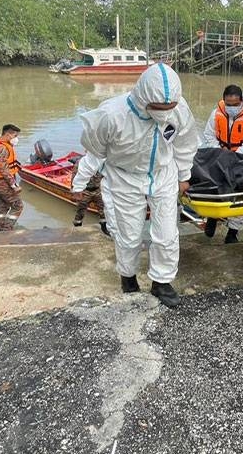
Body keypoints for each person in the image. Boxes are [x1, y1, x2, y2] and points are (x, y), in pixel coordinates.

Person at [77, 64, 198, 308]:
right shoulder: (112, 115)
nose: (165, 114)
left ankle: (161, 281)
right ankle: (128, 277)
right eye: (158, 109)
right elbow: (94, 150)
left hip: (163, 174)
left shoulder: (179, 109)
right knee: (128, 234)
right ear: (144, 99)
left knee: (166, 233)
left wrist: (184, 176)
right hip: (125, 177)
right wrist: (82, 179)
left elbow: (185, 144)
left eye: (169, 108)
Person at [198, 84, 243, 243]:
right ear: (224, 101)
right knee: (213, 188)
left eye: (235, 105)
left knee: (240, 195)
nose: (231, 107)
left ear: (241, 101)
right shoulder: (216, 114)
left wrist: (233, 157)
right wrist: (220, 153)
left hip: (242, 160)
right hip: (219, 157)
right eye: (228, 104)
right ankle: (212, 218)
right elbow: (209, 135)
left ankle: (233, 231)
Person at [0, 124, 23, 231]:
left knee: (3, 206)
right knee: (18, 206)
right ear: (8, 134)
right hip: (2, 182)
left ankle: (1, 228)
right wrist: (14, 185)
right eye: (15, 136)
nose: (16, 139)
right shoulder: (1, 148)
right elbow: (4, 169)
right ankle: (7, 229)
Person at [71, 151, 113, 237]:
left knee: (103, 210)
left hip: (98, 190)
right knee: (80, 211)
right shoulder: (81, 163)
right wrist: (75, 190)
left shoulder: (101, 161)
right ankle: (77, 230)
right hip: (85, 191)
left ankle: (105, 229)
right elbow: (75, 176)